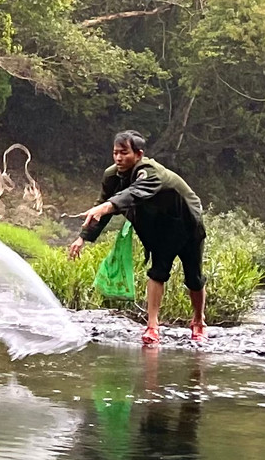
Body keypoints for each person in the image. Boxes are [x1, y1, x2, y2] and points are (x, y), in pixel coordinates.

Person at [68, 130, 207, 345]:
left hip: (187, 225)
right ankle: (152, 326)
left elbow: (135, 192)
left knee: (194, 278)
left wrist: (108, 206)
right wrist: (82, 238)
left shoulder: (150, 172)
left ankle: (198, 321)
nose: (118, 158)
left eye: (124, 153)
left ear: (139, 154)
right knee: (157, 272)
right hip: (158, 229)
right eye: (115, 153)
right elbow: (102, 206)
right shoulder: (112, 176)